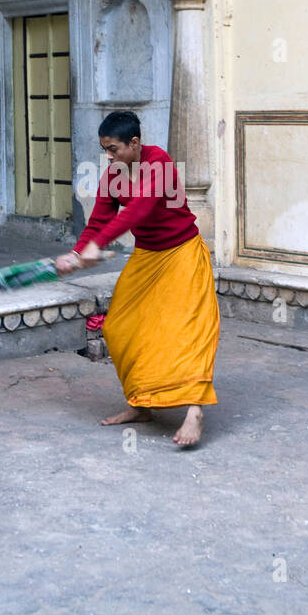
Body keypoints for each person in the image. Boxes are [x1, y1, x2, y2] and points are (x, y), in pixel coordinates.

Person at [55, 111, 220, 447]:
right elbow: (99, 218)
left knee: (186, 331)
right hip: (147, 256)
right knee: (119, 326)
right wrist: (76, 252)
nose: (109, 157)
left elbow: (139, 210)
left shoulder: (159, 163)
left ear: (134, 143)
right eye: (105, 150)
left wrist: (97, 246)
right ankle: (142, 404)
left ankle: (195, 412)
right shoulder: (114, 174)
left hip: (181, 252)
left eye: (113, 149)